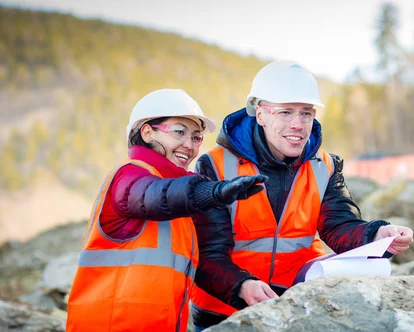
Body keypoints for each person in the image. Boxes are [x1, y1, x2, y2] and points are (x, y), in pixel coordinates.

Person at [189, 61, 414, 330]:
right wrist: (242, 286)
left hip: (298, 307)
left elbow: (339, 226)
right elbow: (207, 254)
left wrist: (377, 236)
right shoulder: (214, 167)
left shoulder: (325, 166)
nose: (298, 125)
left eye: (306, 113)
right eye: (285, 112)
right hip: (224, 312)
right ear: (260, 114)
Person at [66, 89, 267, 332]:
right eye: (179, 132)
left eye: (196, 137)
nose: (189, 145)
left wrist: (241, 286)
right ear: (147, 132)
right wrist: (212, 192)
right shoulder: (129, 176)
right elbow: (155, 195)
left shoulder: (185, 198)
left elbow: (204, 263)